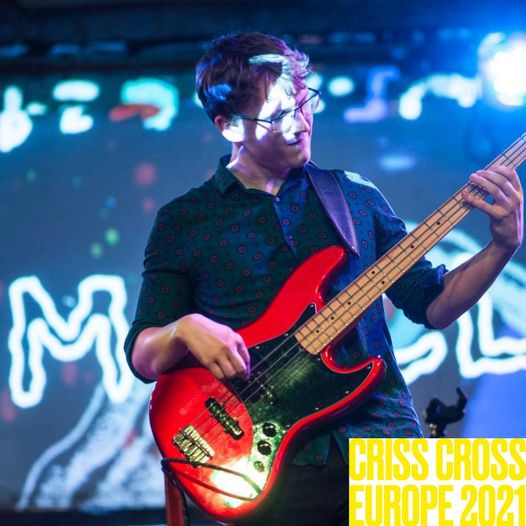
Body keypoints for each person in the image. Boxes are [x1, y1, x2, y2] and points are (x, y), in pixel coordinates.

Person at [124, 32, 523, 525]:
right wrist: (184, 329)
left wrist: (502, 246)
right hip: (273, 465)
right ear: (228, 126)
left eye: (302, 103)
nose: (299, 124)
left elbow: (432, 304)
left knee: (500, 495)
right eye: (277, 116)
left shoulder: (354, 195)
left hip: (386, 440)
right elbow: (143, 355)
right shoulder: (185, 219)